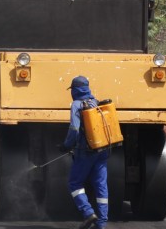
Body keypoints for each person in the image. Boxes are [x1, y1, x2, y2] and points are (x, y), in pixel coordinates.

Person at [60, 76, 109, 229]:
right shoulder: (96, 102)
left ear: (74, 90)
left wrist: (66, 145)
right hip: (102, 150)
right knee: (101, 185)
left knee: (74, 184)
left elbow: (74, 129)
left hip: (85, 152)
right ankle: (101, 223)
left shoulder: (76, 105)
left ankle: (88, 213)